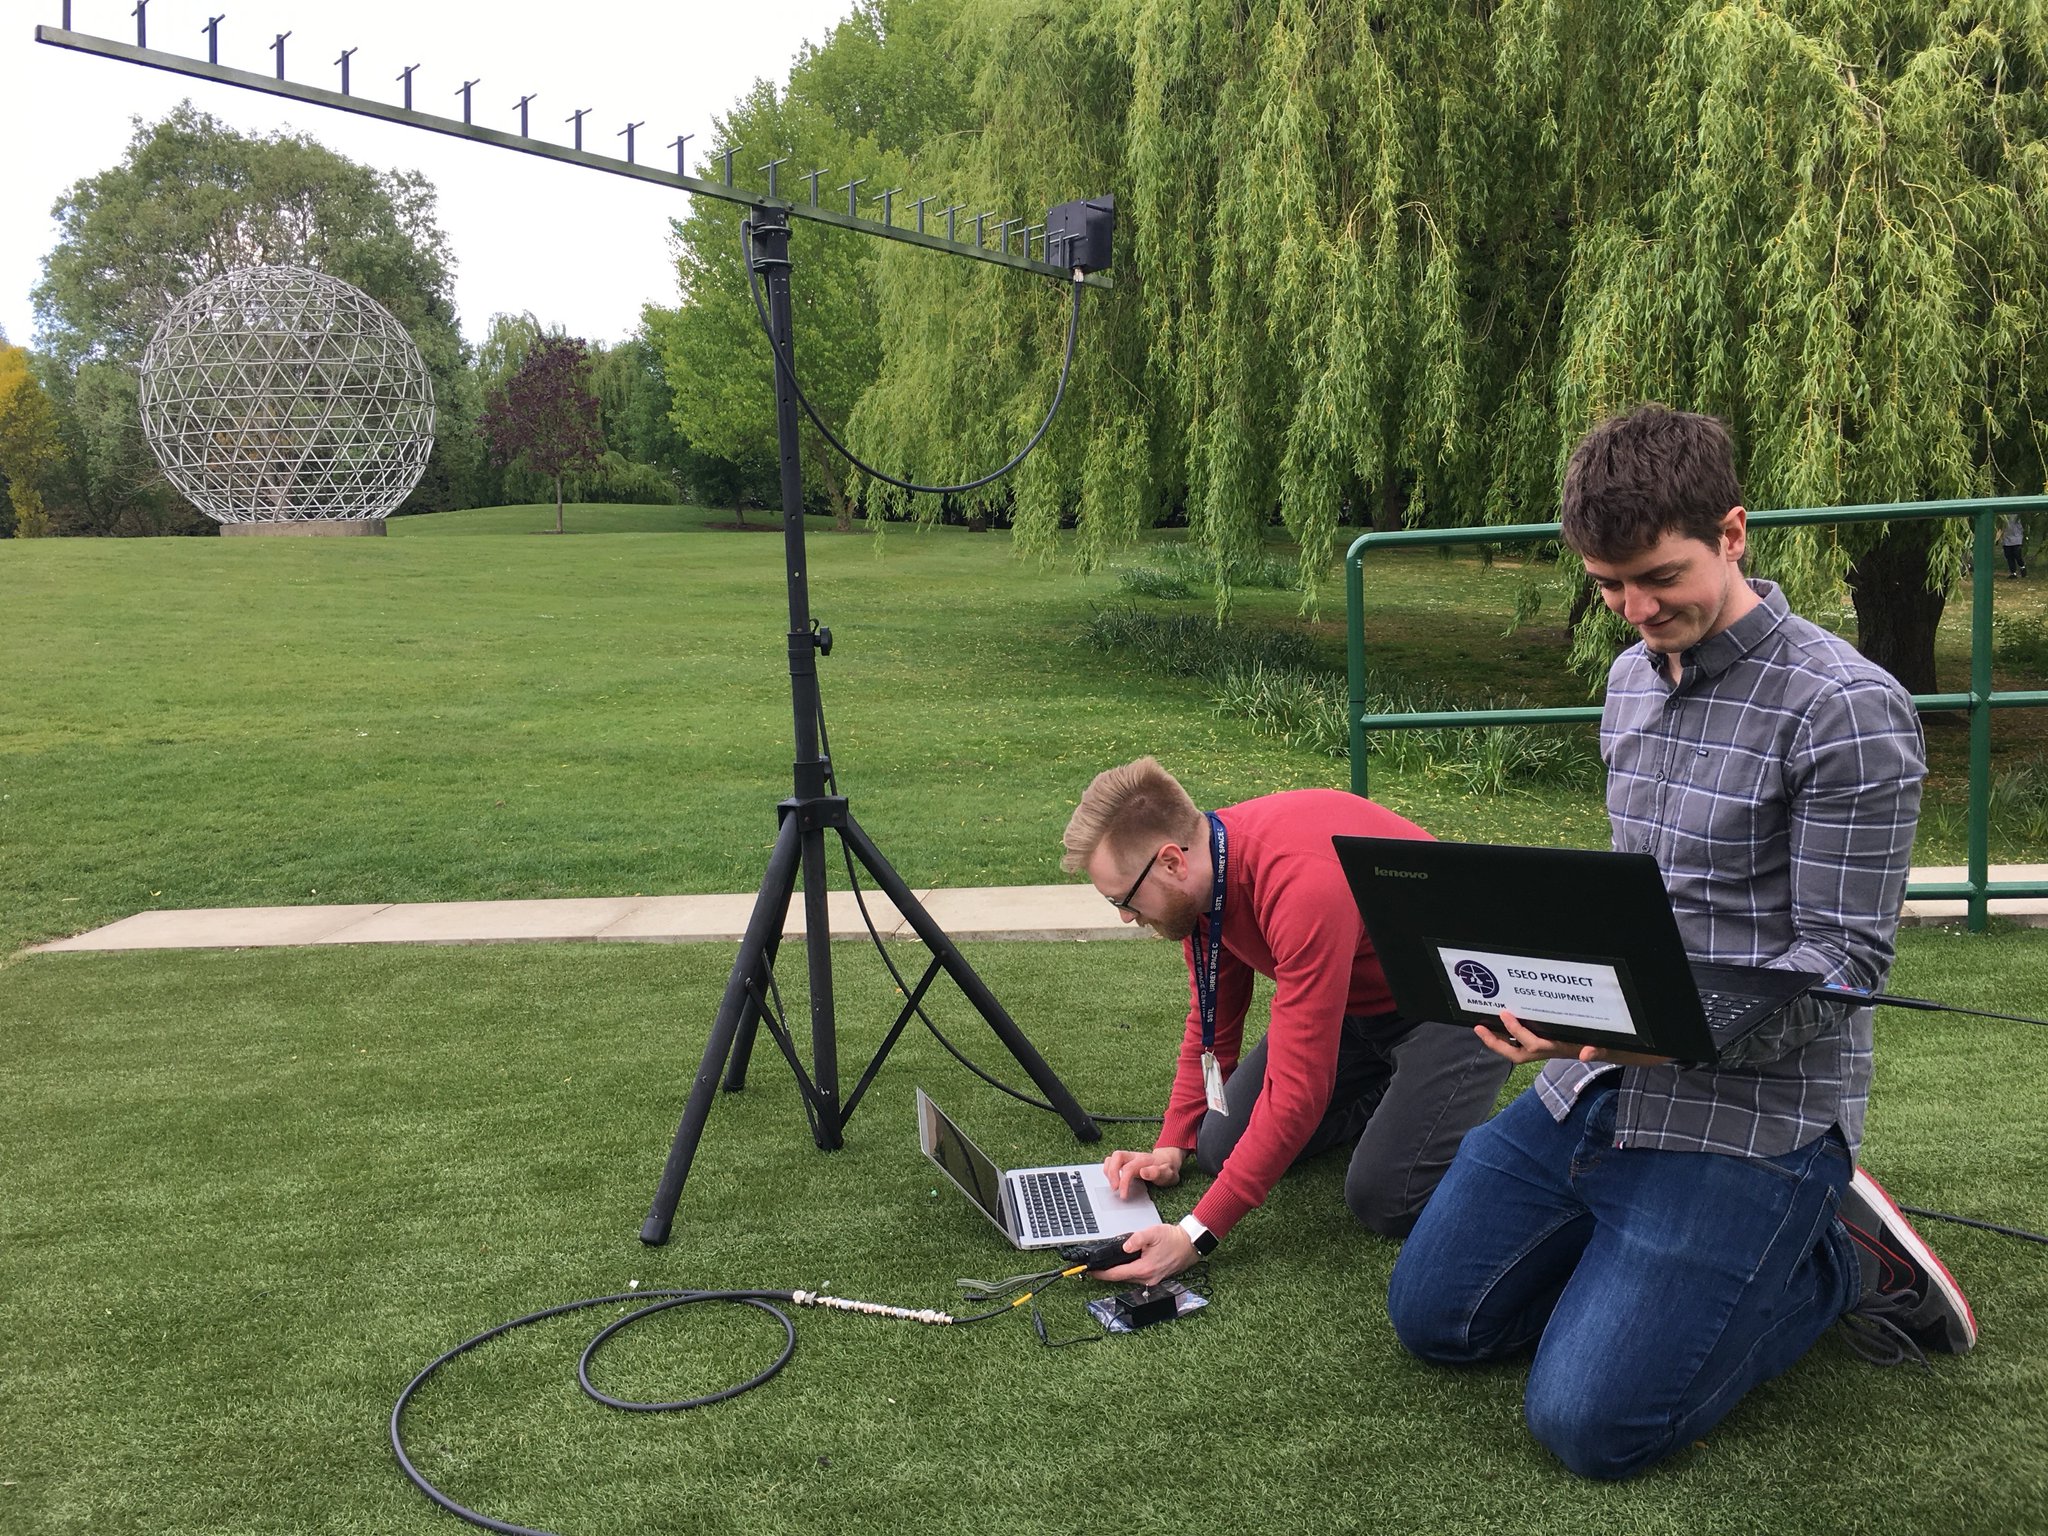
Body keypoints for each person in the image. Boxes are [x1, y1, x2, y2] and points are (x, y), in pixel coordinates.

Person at [1384, 405, 1975, 1480]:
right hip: (1599, 1074)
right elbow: (1640, 907)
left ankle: (1835, 1261)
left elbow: (1842, 967)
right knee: (1435, 1321)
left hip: (1755, 1111)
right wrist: (1552, 989)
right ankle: (1665, 1258)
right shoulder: (1624, 682)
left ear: (1733, 533)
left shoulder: (1845, 709)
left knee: (1590, 1427)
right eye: (1606, 585)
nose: (1633, 608)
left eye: (1657, 577)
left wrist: (1651, 1033)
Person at [1060, 758, 1511, 1286]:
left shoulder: (1300, 883)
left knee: (1385, 1197)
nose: (1125, 916)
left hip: (1454, 1003)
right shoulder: (1207, 882)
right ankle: (1390, 1095)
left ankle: (1497, 1137)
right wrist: (1171, 1142)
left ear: (1170, 862)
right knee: (1215, 1146)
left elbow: (1298, 1092)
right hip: (1354, 1002)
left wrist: (1195, 1234)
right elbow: (1213, 1025)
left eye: (1124, 899)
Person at [2002, 513, 2026, 578]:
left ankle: (2022, 566)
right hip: (2006, 537)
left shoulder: (2018, 514)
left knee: (2017, 554)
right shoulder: (2002, 514)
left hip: (2017, 537)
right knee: (2009, 556)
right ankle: (2013, 573)